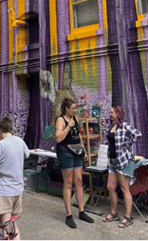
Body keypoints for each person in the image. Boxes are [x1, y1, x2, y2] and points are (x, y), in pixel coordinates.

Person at [55, 98, 94, 229]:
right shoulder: (61, 120)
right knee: (68, 182)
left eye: (75, 108)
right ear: (66, 108)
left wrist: (84, 150)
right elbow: (58, 138)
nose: (75, 110)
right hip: (65, 151)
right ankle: (69, 215)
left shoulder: (75, 118)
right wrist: (68, 126)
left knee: (79, 181)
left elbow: (78, 136)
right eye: (72, 108)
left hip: (77, 151)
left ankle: (82, 211)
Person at [102, 105, 141, 228]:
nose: (110, 114)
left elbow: (137, 134)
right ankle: (114, 213)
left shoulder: (124, 125)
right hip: (113, 161)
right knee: (110, 187)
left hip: (124, 161)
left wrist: (127, 145)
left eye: (112, 112)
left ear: (118, 114)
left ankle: (127, 217)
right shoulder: (112, 126)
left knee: (125, 189)